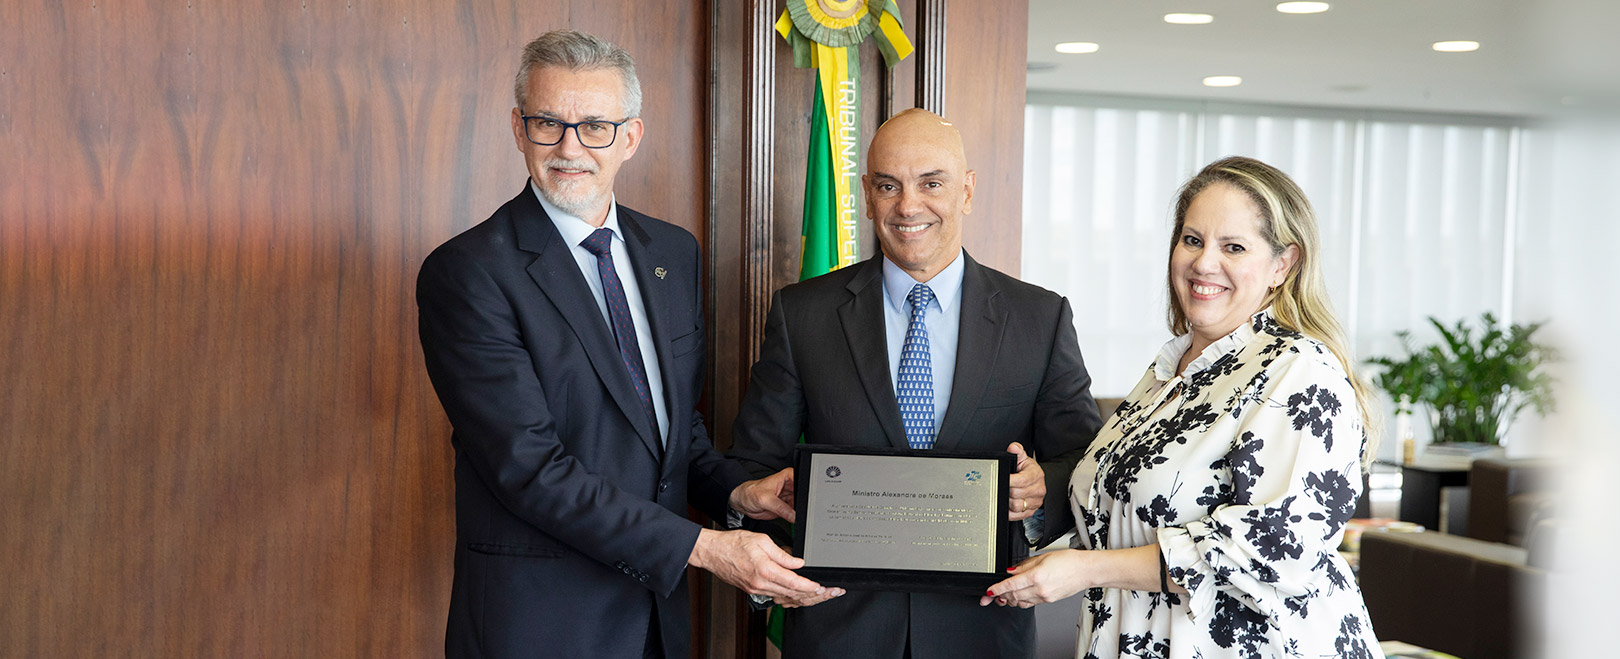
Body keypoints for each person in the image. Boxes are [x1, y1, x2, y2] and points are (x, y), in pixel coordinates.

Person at [416, 30, 837, 659]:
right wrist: (706, 549)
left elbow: (669, 431)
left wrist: (733, 492)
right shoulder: (469, 272)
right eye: (547, 123)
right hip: (536, 624)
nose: (569, 148)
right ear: (516, 127)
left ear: (630, 137)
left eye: (595, 127)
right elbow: (529, 469)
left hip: (654, 623)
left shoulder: (670, 252)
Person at [728, 108, 1105, 659]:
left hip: (982, 632)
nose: (908, 206)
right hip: (837, 631)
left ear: (967, 191)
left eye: (932, 183)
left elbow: (1086, 463)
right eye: (888, 185)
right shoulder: (802, 314)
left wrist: (1041, 487)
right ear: (867, 194)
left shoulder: (1039, 318)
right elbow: (750, 467)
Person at [981, 156, 1383, 658]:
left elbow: (1274, 549)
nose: (1203, 263)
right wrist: (1040, 497)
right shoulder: (1173, 369)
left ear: (1283, 264)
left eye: (1233, 247)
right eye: (1193, 240)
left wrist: (1086, 569)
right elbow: (1127, 505)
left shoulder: (1299, 370)